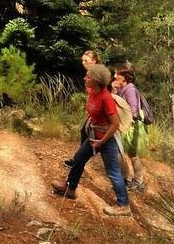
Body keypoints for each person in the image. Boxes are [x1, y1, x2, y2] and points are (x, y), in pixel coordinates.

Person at [51, 64, 131, 216]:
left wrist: (101, 142)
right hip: (94, 135)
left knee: (113, 172)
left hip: (108, 139)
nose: (84, 78)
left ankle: (124, 205)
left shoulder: (106, 98)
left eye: (88, 76)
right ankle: (70, 188)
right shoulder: (91, 91)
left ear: (96, 80)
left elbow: (114, 124)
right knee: (79, 159)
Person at [63, 50, 100, 169]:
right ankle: (79, 161)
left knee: (88, 135)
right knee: (85, 133)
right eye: (82, 61)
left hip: (99, 111)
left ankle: (78, 161)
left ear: (94, 61)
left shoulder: (98, 74)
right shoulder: (90, 72)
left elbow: (100, 94)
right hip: (92, 109)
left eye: (86, 61)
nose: (83, 63)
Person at [113, 64, 146, 191]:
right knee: (122, 153)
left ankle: (137, 181)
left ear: (125, 77)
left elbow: (134, 111)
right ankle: (129, 179)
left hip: (130, 126)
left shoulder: (130, 89)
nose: (115, 76)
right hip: (124, 125)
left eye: (118, 74)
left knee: (131, 154)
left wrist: (126, 126)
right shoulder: (124, 88)